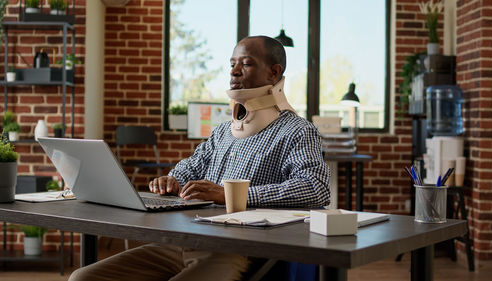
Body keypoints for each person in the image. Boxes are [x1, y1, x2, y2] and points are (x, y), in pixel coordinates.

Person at [69, 36, 330, 281]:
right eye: (232, 64)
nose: (234, 71)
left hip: (239, 250)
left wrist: (232, 195)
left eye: (246, 64)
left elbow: (315, 189)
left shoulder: (298, 131)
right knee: (82, 277)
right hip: (188, 240)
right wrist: (171, 180)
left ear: (274, 73)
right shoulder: (222, 132)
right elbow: (190, 166)